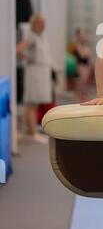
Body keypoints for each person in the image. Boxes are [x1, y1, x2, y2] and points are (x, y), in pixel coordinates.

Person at [16, 14, 52, 143]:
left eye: (43, 23)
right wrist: (28, 58)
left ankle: (28, 128)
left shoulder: (41, 37)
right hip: (34, 72)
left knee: (34, 102)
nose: (43, 25)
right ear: (34, 24)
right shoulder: (31, 37)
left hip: (41, 72)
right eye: (40, 23)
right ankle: (33, 132)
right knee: (32, 101)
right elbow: (18, 49)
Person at [73, 28, 93, 102]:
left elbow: (89, 59)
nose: (84, 37)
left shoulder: (85, 47)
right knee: (80, 84)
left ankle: (83, 96)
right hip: (80, 67)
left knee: (84, 84)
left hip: (86, 67)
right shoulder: (78, 45)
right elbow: (82, 55)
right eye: (82, 35)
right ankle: (78, 97)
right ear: (79, 37)